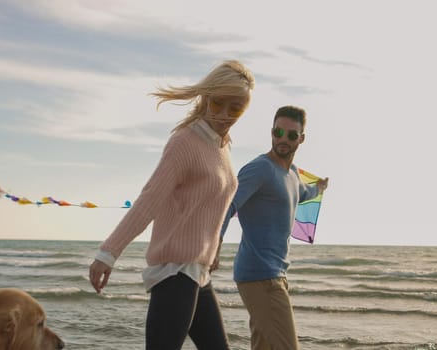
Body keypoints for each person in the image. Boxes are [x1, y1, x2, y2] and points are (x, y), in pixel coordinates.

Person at [88, 60, 255, 350]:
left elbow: (210, 206)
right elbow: (150, 198)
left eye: (235, 108)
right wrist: (108, 253)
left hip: (198, 273)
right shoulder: (185, 142)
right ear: (205, 98)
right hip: (175, 272)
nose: (225, 115)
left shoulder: (222, 145)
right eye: (218, 104)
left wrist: (212, 251)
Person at [214, 105, 329, 350]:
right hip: (260, 276)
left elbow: (303, 193)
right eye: (278, 132)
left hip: (276, 274)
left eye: (291, 135)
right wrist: (214, 247)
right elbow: (228, 205)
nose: (282, 139)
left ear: (301, 139)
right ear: (271, 132)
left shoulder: (293, 174)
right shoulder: (260, 168)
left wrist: (319, 188)